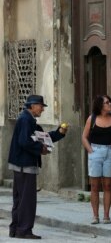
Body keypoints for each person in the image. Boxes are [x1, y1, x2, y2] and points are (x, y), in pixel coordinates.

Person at [8, 95, 68, 239]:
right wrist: (40, 149)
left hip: (22, 166)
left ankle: (16, 229)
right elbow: (24, 142)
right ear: (32, 105)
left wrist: (59, 133)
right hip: (24, 166)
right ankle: (23, 230)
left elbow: (43, 136)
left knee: (20, 199)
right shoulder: (25, 120)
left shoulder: (29, 120)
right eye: (41, 106)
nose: (42, 109)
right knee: (26, 200)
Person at [82, 95, 111, 225]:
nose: (110, 104)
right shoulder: (92, 118)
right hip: (95, 151)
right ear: (100, 105)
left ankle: (106, 216)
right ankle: (95, 216)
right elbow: (84, 137)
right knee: (94, 186)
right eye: (107, 102)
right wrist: (90, 150)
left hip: (109, 151)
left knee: (108, 186)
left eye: (110, 102)